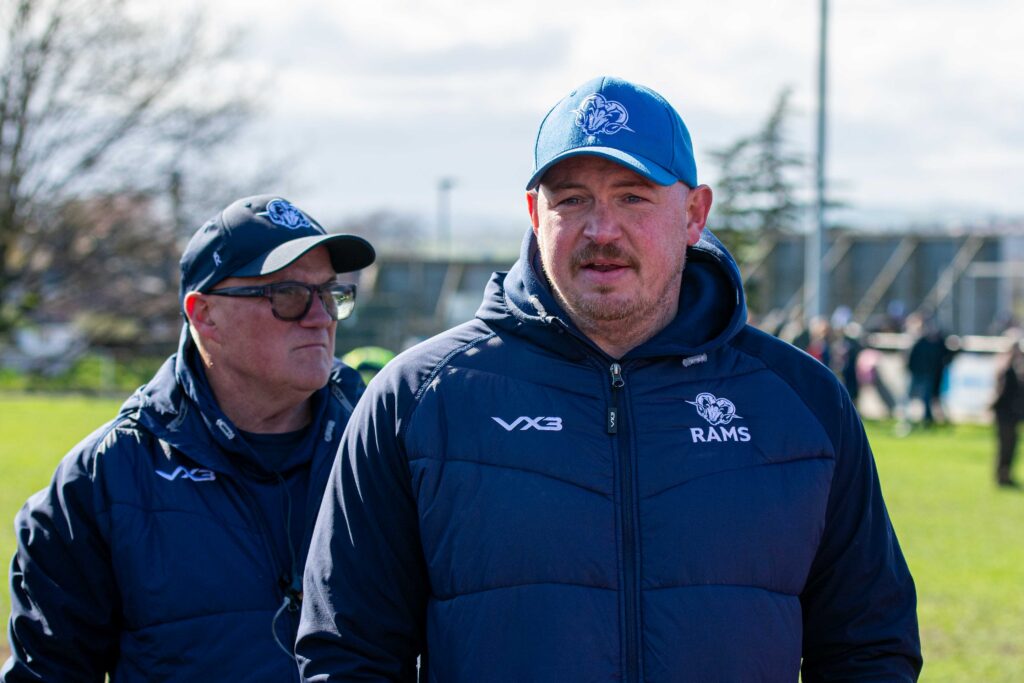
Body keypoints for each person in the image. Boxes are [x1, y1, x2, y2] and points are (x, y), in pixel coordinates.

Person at [297, 77, 922, 681]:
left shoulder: (800, 402)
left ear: (694, 214)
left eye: (632, 197)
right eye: (571, 200)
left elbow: (869, 645)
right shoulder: (419, 399)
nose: (601, 230)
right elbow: (348, 652)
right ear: (534, 214)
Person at [2, 196, 375, 681]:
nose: (321, 317)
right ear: (204, 316)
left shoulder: (387, 449)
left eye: (329, 293)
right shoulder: (100, 481)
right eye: (288, 295)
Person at [991, 333, 1024, 488]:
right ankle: (1002, 476)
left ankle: (1005, 475)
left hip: (1011, 414)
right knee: (1006, 447)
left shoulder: (1014, 369)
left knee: (1010, 447)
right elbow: (1003, 393)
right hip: (1006, 414)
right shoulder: (1007, 370)